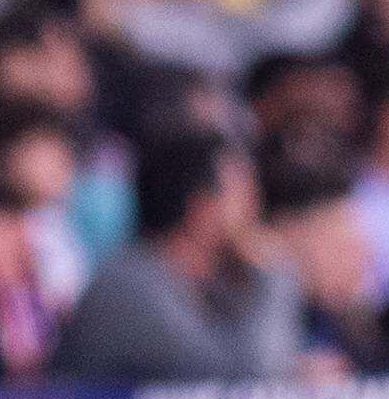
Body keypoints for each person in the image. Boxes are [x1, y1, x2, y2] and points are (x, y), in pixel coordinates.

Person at [48, 130, 304, 386]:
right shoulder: (127, 286)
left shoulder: (209, 283)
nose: (254, 210)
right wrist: (276, 269)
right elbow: (239, 379)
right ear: (200, 209)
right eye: (242, 195)